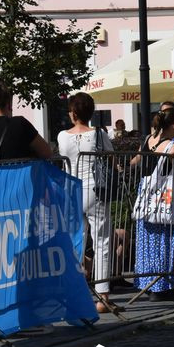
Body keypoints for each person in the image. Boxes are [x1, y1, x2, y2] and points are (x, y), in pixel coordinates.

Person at [57, 92, 118, 313]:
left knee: (76, 242)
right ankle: (103, 295)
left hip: (71, 190)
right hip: (94, 189)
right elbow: (111, 158)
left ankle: (75, 292)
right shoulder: (98, 135)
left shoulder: (62, 136)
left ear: (73, 113)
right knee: (102, 241)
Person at [133, 108, 174, 301]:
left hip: (146, 199)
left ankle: (149, 284)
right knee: (166, 242)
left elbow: (135, 162)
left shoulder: (148, 140)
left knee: (147, 243)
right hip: (165, 201)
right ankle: (164, 286)